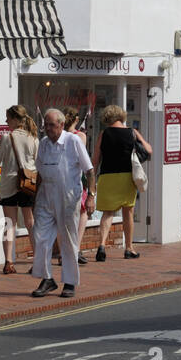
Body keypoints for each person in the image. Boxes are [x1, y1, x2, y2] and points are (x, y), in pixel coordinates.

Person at [32, 109, 93, 298]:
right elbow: (40, 172)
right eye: (45, 125)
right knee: (40, 237)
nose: (47, 129)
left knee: (67, 240)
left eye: (51, 125)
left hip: (68, 196)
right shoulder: (43, 144)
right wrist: (36, 198)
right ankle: (47, 279)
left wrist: (91, 196)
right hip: (46, 195)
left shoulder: (73, 141)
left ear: (61, 124)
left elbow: (89, 170)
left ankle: (69, 282)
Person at [91, 106, 151, 260]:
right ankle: (129, 248)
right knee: (127, 212)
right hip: (126, 176)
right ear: (121, 116)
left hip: (107, 177)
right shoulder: (131, 132)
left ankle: (102, 246)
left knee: (107, 213)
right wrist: (139, 137)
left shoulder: (103, 134)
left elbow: (95, 160)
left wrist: (92, 182)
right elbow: (148, 150)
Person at [0, 106, 39, 276]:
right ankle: (38, 260)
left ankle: (8, 261)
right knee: (30, 222)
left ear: (15, 119)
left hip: (8, 183)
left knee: (9, 222)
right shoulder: (33, 138)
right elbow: (38, 161)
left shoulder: (7, 138)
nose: (6, 121)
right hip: (28, 183)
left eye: (8, 118)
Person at [62, 108, 91, 266]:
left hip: (61, 178)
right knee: (82, 213)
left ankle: (64, 251)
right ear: (76, 119)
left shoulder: (57, 136)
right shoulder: (80, 136)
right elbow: (83, 160)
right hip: (77, 178)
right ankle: (75, 249)